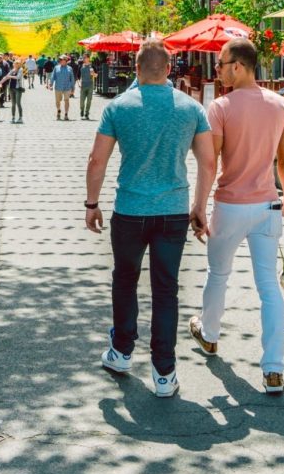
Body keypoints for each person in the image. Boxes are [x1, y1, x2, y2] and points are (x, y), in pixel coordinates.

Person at [85, 38, 214, 399]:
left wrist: (91, 203)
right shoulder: (191, 109)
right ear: (170, 69)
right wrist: (200, 206)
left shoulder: (118, 108)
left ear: (136, 69)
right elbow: (207, 162)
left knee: (125, 280)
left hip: (130, 210)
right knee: (166, 289)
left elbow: (97, 161)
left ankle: (122, 352)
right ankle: (164, 371)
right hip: (173, 212)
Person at [189, 38, 284, 394]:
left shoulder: (220, 107)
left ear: (238, 65)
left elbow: (210, 161)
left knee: (218, 274)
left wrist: (199, 206)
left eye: (220, 64)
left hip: (231, 205)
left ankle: (209, 335)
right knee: (269, 288)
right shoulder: (279, 105)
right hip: (267, 205)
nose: (217, 70)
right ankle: (273, 369)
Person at [51, 52, 76, 120]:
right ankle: (58, 110)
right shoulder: (56, 68)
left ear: (66, 60)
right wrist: (51, 84)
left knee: (66, 100)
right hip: (58, 87)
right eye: (60, 60)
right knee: (57, 101)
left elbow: (72, 78)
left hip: (67, 87)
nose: (61, 61)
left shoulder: (70, 68)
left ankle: (66, 114)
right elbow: (53, 76)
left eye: (62, 59)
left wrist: (73, 88)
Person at [77, 54, 96, 120]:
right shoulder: (81, 66)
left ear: (88, 58)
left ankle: (87, 113)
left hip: (90, 85)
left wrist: (93, 74)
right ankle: (82, 110)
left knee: (89, 101)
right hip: (83, 85)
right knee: (82, 101)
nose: (84, 59)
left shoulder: (92, 66)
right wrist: (79, 83)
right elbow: (78, 77)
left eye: (85, 58)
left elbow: (96, 75)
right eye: (83, 58)